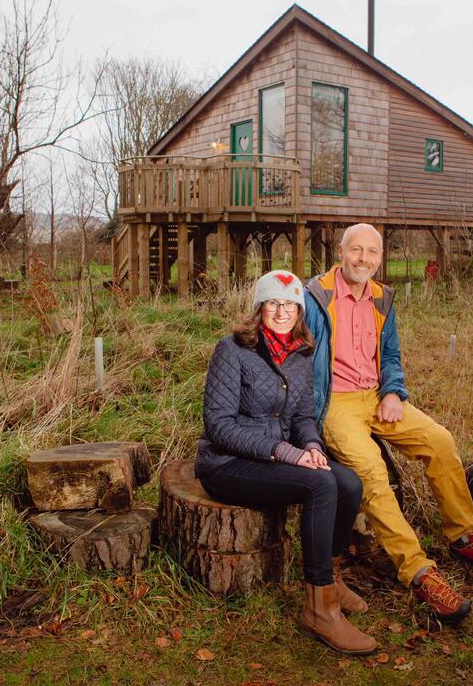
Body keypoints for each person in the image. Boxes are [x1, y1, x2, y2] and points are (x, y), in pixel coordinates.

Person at [303, 224, 473, 624]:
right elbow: (294, 353)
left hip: (377, 396)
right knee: (371, 471)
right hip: (336, 404)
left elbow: (392, 355)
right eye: (356, 250)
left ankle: (463, 535)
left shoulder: (382, 298)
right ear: (340, 251)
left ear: (380, 257)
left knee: (440, 440)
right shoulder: (315, 296)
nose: (363, 259)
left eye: (372, 252)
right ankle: (417, 570)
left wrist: (394, 392)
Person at [195, 270, 377, 655]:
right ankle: (319, 609)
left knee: (348, 483)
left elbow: (303, 417)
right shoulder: (232, 349)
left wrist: (311, 446)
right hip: (228, 463)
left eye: (290, 304)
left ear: (299, 309)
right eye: (274, 303)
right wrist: (287, 453)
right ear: (259, 308)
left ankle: (331, 576)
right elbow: (220, 426)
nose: (282, 312)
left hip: (281, 456)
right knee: (320, 484)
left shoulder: (300, 353)